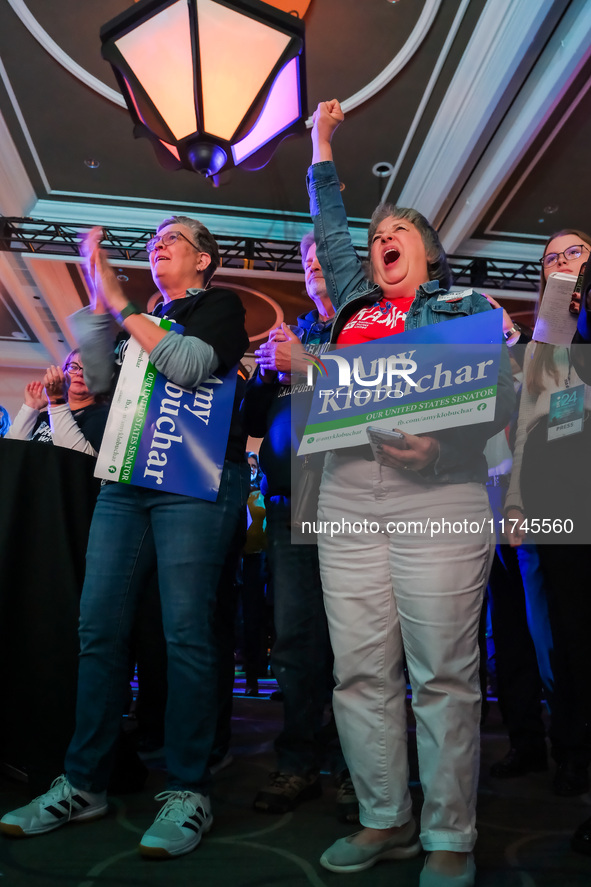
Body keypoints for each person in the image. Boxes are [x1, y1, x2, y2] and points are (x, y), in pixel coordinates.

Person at [306, 100, 515, 886]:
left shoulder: (467, 312)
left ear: (428, 253)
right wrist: (321, 146)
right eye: (374, 234)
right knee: (358, 669)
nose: (380, 237)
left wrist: (443, 443)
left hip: (442, 492)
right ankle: (384, 819)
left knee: (443, 673)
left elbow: (500, 398)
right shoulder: (355, 306)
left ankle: (448, 834)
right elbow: (332, 232)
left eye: (397, 232)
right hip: (347, 489)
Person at [0, 216, 250, 859]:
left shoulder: (219, 307)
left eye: (174, 240)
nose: (158, 246)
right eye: (153, 241)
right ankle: (84, 781)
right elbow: (106, 399)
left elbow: (191, 366)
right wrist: (98, 299)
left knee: (186, 632)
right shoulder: (136, 329)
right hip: (124, 486)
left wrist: (122, 303)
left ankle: (189, 789)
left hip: (194, 482)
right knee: (98, 629)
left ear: (204, 261)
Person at [244, 233, 358, 823]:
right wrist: (266, 374)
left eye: (323, 256)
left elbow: (374, 400)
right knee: (295, 640)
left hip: (355, 500)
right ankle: (297, 762)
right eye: (306, 259)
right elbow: (256, 422)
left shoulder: (369, 328)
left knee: (355, 644)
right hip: (292, 502)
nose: (312, 264)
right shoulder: (297, 333)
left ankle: (352, 768)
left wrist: (306, 368)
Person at [505, 230, 591, 801]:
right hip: (554, 496)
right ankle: (573, 753)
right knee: (563, 632)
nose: (561, 262)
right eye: (550, 259)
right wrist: (514, 500)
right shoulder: (546, 341)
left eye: (574, 252)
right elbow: (533, 421)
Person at [5, 350, 108, 454]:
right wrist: (31, 407)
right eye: (74, 367)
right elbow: (10, 452)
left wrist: (57, 401)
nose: (79, 373)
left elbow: (81, 458)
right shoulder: (44, 416)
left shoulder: (103, 415)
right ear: (64, 373)